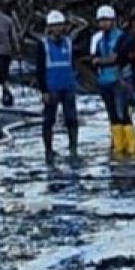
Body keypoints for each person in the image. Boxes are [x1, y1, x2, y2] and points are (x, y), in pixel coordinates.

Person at [90, 5, 135, 157]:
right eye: (101, 21)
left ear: (113, 21)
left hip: (119, 81)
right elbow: (95, 59)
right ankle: (118, 146)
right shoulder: (99, 40)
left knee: (123, 114)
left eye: (106, 20)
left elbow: (116, 59)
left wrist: (102, 61)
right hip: (105, 82)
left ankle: (131, 147)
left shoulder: (122, 37)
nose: (103, 24)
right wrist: (104, 61)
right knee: (112, 116)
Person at [37, 10, 79, 162]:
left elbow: (73, 64)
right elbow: (40, 69)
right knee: (49, 120)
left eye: (60, 25)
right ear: (49, 28)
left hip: (67, 87)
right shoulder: (43, 45)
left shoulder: (69, 43)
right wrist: (43, 91)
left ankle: (73, 147)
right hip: (51, 88)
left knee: (72, 119)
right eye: (54, 26)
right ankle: (48, 149)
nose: (57, 29)